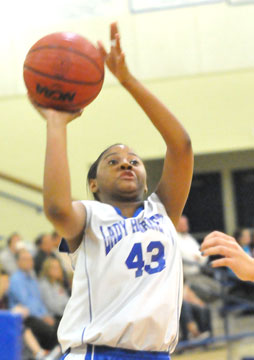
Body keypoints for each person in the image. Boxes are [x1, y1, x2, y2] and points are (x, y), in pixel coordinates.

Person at [30, 22, 193, 360]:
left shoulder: (162, 210)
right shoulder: (89, 216)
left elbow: (181, 146)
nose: (126, 164)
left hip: (157, 354)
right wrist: (56, 124)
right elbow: (57, 208)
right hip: (96, 353)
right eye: (113, 161)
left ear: (146, 180)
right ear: (93, 184)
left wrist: (128, 80)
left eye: (134, 160)